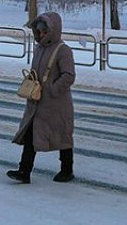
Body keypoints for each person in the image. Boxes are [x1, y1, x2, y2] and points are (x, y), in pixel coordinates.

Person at [7, 11, 77, 184]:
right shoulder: (39, 48)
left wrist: (52, 90)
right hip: (37, 102)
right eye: (38, 30)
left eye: (44, 30)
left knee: (63, 136)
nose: (41, 34)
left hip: (56, 104)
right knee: (31, 134)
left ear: (53, 30)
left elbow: (69, 75)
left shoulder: (63, 50)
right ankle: (24, 171)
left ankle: (67, 170)